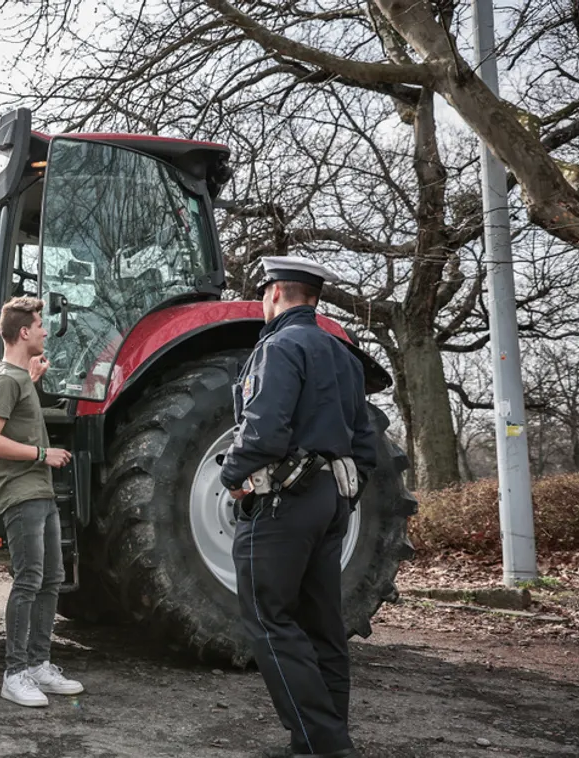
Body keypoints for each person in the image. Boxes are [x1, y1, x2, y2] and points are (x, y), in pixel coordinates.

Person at [219, 256, 378, 758]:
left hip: (281, 503)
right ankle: (327, 739)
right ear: (314, 299)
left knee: (269, 619)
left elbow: (264, 430)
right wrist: (342, 492)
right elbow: (366, 444)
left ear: (272, 294)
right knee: (323, 625)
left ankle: (319, 744)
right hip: (332, 502)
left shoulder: (279, 347)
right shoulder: (344, 355)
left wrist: (231, 477)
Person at [0, 296, 85, 708]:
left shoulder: (19, 378)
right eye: (39, 325)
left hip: (40, 491)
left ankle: (40, 664)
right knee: (28, 581)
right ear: (24, 332)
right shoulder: (5, 379)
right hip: (21, 494)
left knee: (51, 579)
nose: (44, 331)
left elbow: (17, 416)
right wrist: (44, 454)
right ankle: (15, 672)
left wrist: (32, 380)